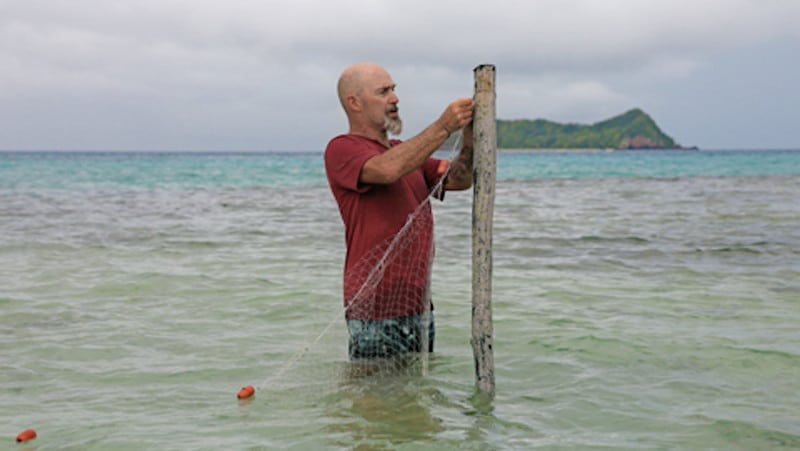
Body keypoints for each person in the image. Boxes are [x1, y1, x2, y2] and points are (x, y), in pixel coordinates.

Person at [324, 62, 474, 360]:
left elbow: (460, 180)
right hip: (374, 308)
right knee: (374, 401)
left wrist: (471, 132)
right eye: (383, 91)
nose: (394, 98)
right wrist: (444, 126)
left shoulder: (406, 152)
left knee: (415, 401)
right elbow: (388, 169)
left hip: (417, 303)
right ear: (354, 102)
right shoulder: (342, 148)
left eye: (394, 89)